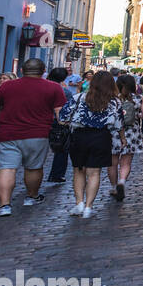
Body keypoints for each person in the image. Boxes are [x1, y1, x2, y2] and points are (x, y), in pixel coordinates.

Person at [0, 59, 66, 216]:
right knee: (34, 167)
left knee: (6, 168)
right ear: (43, 71)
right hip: (38, 134)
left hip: (8, 133)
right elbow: (60, 114)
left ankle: (5, 205)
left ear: (22, 70)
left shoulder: (7, 86)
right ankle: (31, 197)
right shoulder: (53, 87)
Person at [60, 70, 122, 218]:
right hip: (101, 137)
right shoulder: (115, 102)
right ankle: (88, 207)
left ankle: (79, 203)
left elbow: (63, 115)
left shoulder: (78, 97)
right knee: (94, 173)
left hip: (80, 136)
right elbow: (118, 125)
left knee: (78, 170)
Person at [107, 74, 143, 201]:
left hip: (114, 133)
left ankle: (114, 187)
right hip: (132, 133)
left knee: (112, 164)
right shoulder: (140, 98)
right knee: (126, 163)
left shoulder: (111, 99)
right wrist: (136, 115)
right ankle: (122, 182)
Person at [45, 68, 75, 185]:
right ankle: (57, 174)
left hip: (41, 121)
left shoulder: (43, 87)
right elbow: (67, 109)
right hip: (57, 123)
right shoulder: (65, 92)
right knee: (61, 149)